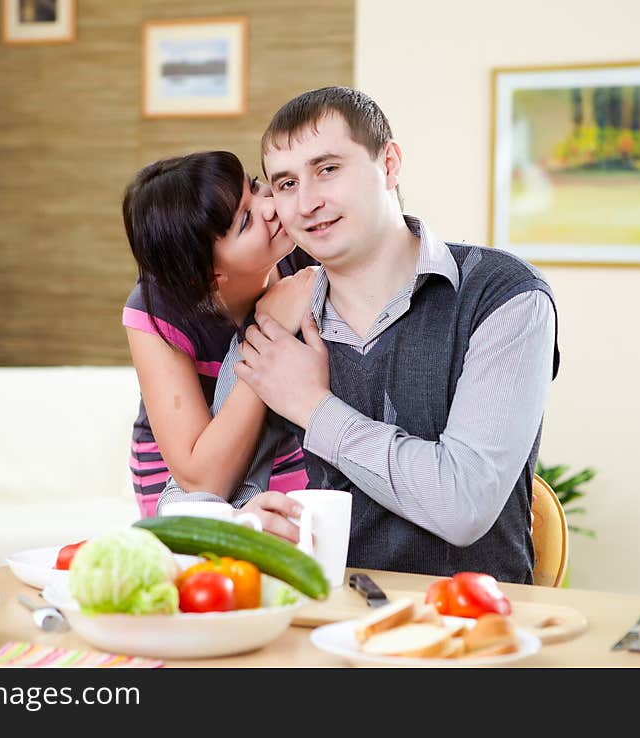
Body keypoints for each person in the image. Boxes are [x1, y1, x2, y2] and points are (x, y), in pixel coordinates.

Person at [160, 88, 559, 583]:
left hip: (468, 627)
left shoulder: (502, 295)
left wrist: (312, 406)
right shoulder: (276, 324)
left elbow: (464, 505)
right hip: (319, 625)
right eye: (286, 183)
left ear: (389, 163)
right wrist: (242, 522)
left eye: (327, 169)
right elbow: (188, 498)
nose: (307, 203)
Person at [121, 151, 316, 519]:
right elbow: (201, 481)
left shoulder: (302, 256)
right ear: (209, 277)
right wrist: (267, 333)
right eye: (246, 220)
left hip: (282, 452)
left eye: (255, 187)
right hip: (177, 478)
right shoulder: (157, 307)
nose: (271, 206)